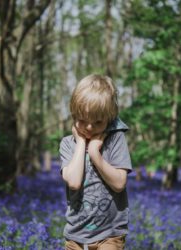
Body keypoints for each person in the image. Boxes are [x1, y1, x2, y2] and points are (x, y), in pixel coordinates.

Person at [59, 74, 132, 250]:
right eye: (83, 121)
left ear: (110, 117)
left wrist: (94, 153)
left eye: (98, 122)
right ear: (73, 114)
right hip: (75, 235)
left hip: (110, 235)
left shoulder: (115, 140)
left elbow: (119, 183)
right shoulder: (68, 144)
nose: (89, 128)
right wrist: (82, 144)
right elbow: (74, 182)